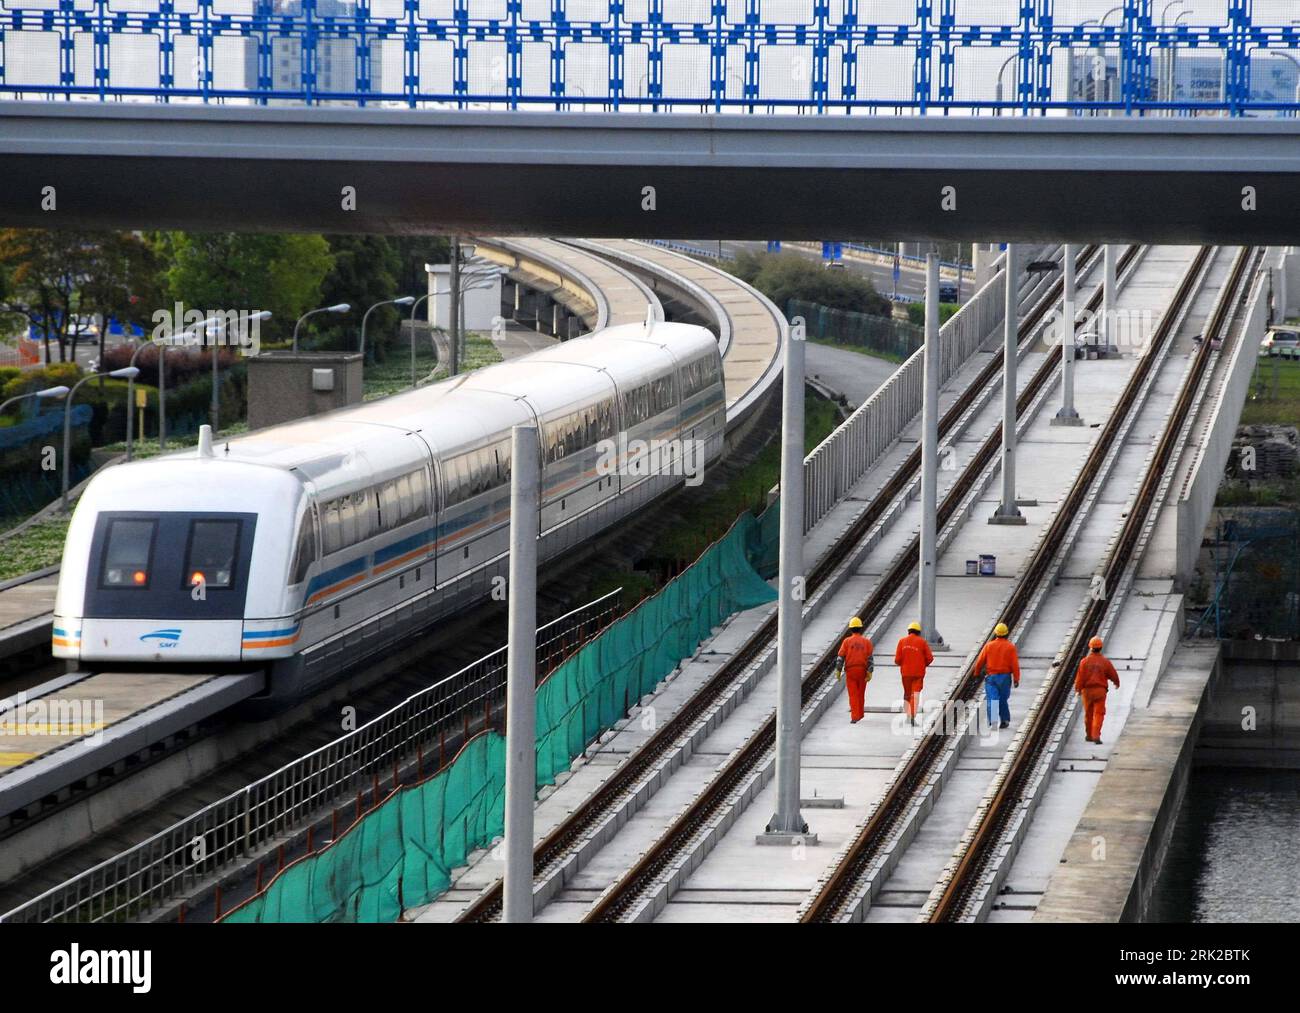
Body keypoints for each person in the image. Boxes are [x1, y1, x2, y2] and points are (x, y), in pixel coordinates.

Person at [973, 622, 1020, 730]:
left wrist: (976, 673)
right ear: (1006, 634)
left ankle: (993, 722)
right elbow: (1015, 665)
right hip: (1005, 678)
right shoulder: (1010, 647)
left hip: (991, 678)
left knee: (993, 700)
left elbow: (980, 661)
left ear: (996, 633)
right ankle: (1005, 720)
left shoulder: (989, 646)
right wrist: (1016, 679)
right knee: (1003, 699)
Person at [1075, 635, 1120, 744]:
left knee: (1088, 714)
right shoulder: (1105, 662)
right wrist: (1116, 683)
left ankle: (1089, 735)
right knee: (1099, 714)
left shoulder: (1084, 662)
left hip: (1087, 692)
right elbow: (1112, 673)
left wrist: (1078, 689)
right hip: (1100, 691)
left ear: (1090, 647)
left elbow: (1080, 677)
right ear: (1101, 647)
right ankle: (1096, 735)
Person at [835, 617, 874, 724]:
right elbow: (870, 659)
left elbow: (840, 657)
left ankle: (855, 716)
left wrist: (838, 670)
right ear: (861, 628)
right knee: (861, 693)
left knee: (853, 694)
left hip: (850, 671)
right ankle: (860, 714)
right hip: (862, 670)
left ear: (851, 629)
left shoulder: (846, 641)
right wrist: (870, 671)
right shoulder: (866, 642)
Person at [894, 621, 934, 726]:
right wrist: (922, 664)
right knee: (915, 695)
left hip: (906, 673)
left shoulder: (901, 641)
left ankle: (907, 714)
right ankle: (911, 715)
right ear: (918, 632)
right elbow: (930, 658)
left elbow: (897, 660)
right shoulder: (922, 642)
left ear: (908, 631)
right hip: (918, 674)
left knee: (907, 694)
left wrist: (904, 663)